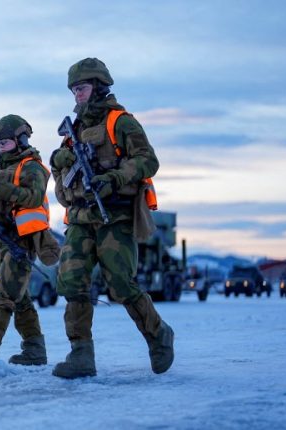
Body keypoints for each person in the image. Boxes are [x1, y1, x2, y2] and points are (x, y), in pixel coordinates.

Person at [49, 58, 174, 378]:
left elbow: (148, 161)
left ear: (99, 86)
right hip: (79, 218)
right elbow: (61, 173)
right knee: (71, 281)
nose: (77, 94)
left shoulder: (121, 122)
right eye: (74, 89)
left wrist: (115, 178)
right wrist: (61, 159)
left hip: (115, 216)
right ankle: (81, 355)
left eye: (83, 88)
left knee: (120, 282)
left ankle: (158, 334)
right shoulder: (73, 130)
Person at [0, 114, 61, 366]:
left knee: (3, 294)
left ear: (21, 139)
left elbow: (33, 197)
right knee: (21, 298)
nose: (0, 147)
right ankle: (35, 350)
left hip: (22, 242)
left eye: (5, 142)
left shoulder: (32, 167)